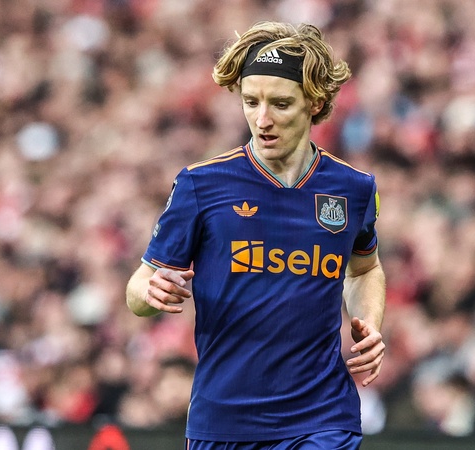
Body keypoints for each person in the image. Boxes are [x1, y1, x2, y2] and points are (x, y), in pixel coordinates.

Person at [126, 21, 386, 449]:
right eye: (251, 102)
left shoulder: (354, 189)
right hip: (224, 420)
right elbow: (139, 287)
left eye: (280, 103)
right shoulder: (201, 184)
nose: (262, 119)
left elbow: (363, 270)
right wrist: (150, 292)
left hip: (322, 415)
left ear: (315, 102)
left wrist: (370, 323)